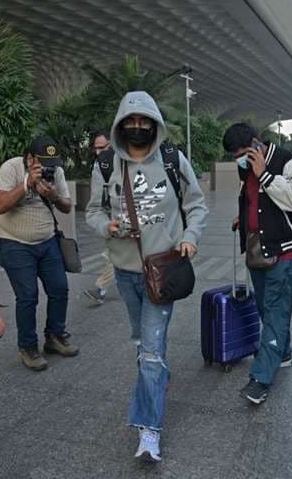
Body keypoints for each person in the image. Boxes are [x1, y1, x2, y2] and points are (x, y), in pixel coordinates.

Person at [86, 91, 208, 463]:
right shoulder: (106, 165)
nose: (137, 128)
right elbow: (92, 211)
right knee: (143, 343)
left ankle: (148, 431)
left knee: (151, 353)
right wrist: (107, 225)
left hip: (163, 272)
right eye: (131, 123)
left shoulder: (172, 159)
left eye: (144, 123)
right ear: (120, 125)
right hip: (124, 272)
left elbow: (196, 204)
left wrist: (189, 237)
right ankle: (155, 379)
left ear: (155, 125)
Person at [222, 123, 292, 406]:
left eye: (243, 152)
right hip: (258, 248)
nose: (240, 158)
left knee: (275, 311)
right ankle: (283, 352)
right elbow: (252, 199)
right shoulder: (245, 167)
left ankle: (260, 378)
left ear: (257, 142)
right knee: (266, 307)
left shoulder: (287, 161)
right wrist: (243, 218)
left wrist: (265, 175)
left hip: (285, 250)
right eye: (235, 155)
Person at [0, 136, 79, 371]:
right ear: (29, 158)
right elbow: (0, 205)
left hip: (48, 240)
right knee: (28, 297)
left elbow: (66, 206)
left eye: (51, 162)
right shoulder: (10, 168)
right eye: (42, 163)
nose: (48, 168)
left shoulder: (56, 172)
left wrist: (52, 195)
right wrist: (26, 185)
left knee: (60, 289)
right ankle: (28, 347)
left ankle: (55, 337)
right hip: (15, 244)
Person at [84, 131, 115, 306]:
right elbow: (95, 205)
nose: (98, 152)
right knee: (116, 254)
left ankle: (101, 289)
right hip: (113, 218)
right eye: (96, 149)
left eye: (102, 148)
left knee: (116, 255)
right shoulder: (101, 164)